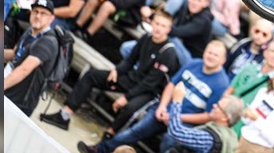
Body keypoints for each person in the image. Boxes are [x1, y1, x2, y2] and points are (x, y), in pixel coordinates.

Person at [78, 40, 230, 153]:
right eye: (209, 52)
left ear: (223, 60)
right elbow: (171, 85)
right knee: (135, 130)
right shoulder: (194, 64)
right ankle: (100, 149)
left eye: (215, 55)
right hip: (165, 110)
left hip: (185, 123)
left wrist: (175, 117)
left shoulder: (221, 84)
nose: (211, 57)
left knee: (169, 142)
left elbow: (208, 116)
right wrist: (162, 107)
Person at [40, 12, 179, 134]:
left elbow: (150, 83)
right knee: (91, 75)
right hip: (133, 79)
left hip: (149, 91)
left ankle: (107, 139)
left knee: (129, 108)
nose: (158, 28)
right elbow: (130, 60)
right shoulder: (146, 38)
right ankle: (64, 116)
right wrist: (117, 70)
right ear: (152, 23)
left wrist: (126, 97)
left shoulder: (168, 52)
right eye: (157, 23)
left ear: (169, 29)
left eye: (163, 26)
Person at [4, 0, 58, 115]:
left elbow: (24, 70)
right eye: (35, 11)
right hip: (9, 88)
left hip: (19, 102)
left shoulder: (47, 42)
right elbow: (15, 54)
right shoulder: (30, 31)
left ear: (51, 18)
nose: (38, 16)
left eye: (43, 13)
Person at [237, 65, 274, 152]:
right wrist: (246, 115)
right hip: (243, 139)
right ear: (273, 78)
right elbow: (247, 120)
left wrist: (257, 119)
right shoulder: (263, 92)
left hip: (260, 148)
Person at [166, 87, 243, 153]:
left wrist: (177, 100)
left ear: (225, 117)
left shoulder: (209, 139)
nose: (214, 106)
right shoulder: (230, 135)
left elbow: (176, 131)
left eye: (218, 106)